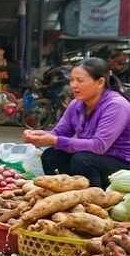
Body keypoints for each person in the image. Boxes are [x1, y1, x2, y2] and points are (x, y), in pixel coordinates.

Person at [23, 57, 130, 189]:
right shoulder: (76, 104)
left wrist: (55, 140)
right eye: (72, 80)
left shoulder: (116, 105)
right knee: (51, 155)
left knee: (82, 160)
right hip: (91, 157)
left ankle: (95, 198)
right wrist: (40, 136)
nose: (73, 85)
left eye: (80, 80)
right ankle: (63, 194)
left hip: (121, 165)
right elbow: (59, 133)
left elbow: (99, 146)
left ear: (100, 82)